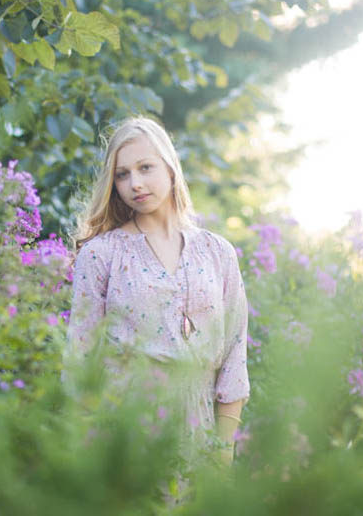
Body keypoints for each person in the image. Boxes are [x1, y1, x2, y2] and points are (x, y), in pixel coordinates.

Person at [61, 116, 250, 499]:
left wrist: (222, 457)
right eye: (122, 174)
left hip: (199, 434)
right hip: (124, 435)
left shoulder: (218, 253)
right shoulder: (102, 255)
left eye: (145, 168)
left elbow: (234, 357)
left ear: (169, 166)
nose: (135, 184)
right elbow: (80, 361)